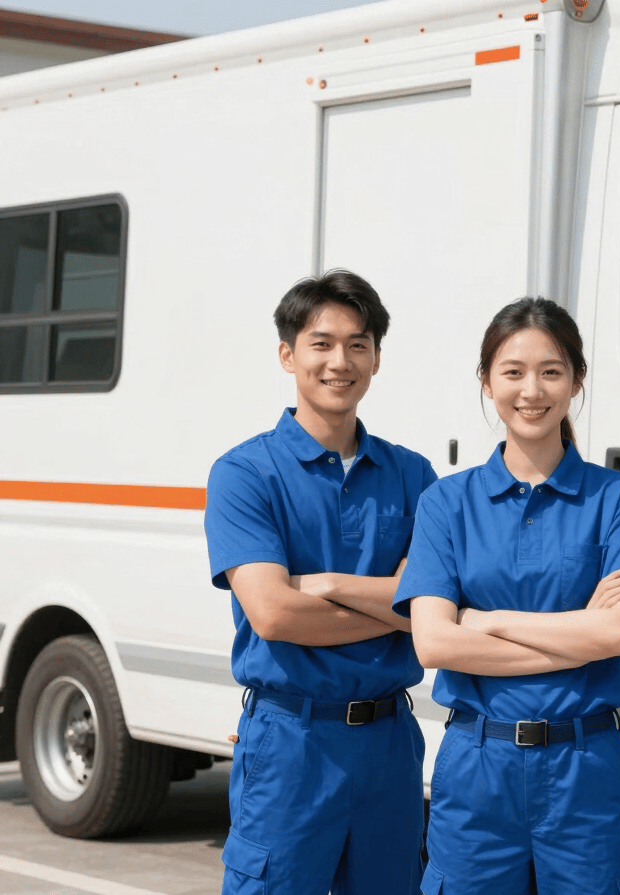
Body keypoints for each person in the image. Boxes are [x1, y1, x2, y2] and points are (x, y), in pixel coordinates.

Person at [392, 297, 620, 895]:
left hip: (585, 766)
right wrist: (578, 635)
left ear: (576, 383)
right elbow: (435, 641)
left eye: (551, 371)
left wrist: (487, 622)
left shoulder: (617, 499)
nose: (531, 390)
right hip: (477, 765)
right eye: (512, 371)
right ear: (488, 381)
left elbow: (619, 633)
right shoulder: (447, 502)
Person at [204, 269, 436, 895]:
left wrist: (326, 584)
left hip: (389, 744)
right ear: (288, 355)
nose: (341, 361)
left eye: (358, 345)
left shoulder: (414, 475)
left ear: (377, 359)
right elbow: (275, 616)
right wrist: (398, 606)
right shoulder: (245, 473)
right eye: (322, 343)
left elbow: (437, 606)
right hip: (290, 743)